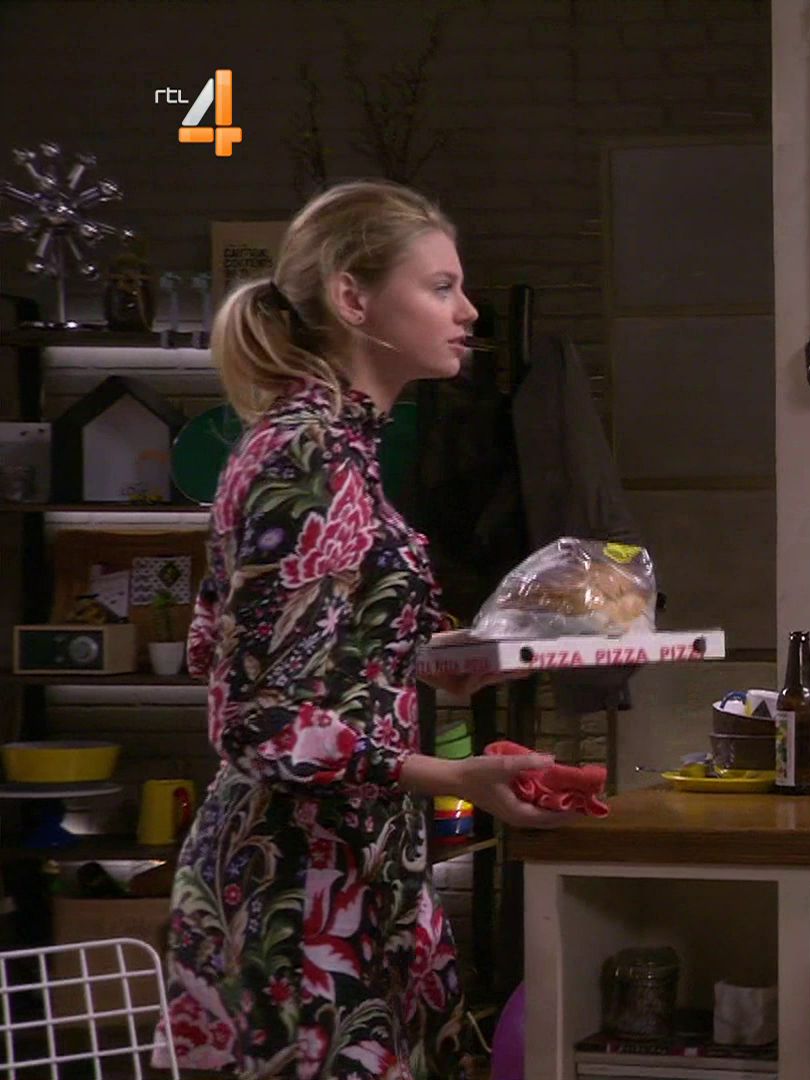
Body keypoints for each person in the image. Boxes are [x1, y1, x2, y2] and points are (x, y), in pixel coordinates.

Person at [160, 179, 570, 1079]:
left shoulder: (342, 448)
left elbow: (285, 652)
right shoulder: (304, 455)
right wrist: (453, 777)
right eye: (441, 287)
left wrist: (431, 664)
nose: (468, 311)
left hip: (354, 868)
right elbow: (254, 717)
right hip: (293, 890)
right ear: (354, 299)